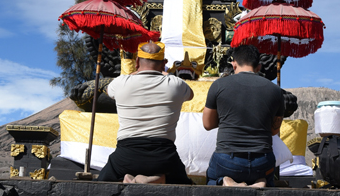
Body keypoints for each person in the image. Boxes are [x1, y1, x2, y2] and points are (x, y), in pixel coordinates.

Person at [97, 41, 193, 184]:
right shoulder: (176, 84)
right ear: (164, 63)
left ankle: (133, 178)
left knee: (101, 185)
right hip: (163, 157)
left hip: (126, 156)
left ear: (136, 62)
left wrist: (137, 71)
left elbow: (108, 90)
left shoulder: (120, 82)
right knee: (185, 185)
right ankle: (157, 177)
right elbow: (190, 95)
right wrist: (164, 71)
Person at [202, 43, 285, 187]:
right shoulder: (276, 91)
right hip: (263, 161)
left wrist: (227, 119)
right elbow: (274, 131)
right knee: (268, 177)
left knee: (211, 180)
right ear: (258, 67)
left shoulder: (219, 85)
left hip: (228, 160)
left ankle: (223, 180)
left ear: (234, 64)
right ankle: (260, 181)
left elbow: (207, 124)